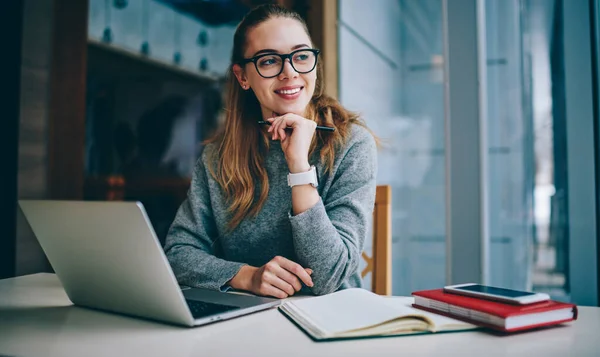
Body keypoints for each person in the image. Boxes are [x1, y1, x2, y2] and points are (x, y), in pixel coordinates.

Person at [164, 4, 377, 298]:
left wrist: (299, 167)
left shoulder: (351, 144)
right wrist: (246, 277)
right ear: (243, 77)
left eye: (301, 56)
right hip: (244, 320)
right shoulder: (217, 156)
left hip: (329, 322)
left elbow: (328, 277)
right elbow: (178, 253)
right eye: (268, 61)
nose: (290, 73)